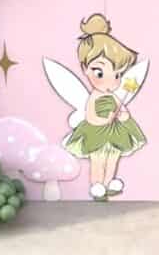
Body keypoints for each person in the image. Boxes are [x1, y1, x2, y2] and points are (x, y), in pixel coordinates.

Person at [63, 14, 147, 200]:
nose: (111, 80)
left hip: (114, 132)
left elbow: (122, 110)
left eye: (117, 75)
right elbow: (91, 117)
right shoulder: (94, 97)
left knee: (112, 158)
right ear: (86, 69)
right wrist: (103, 120)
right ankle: (97, 185)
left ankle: (109, 182)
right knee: (98, 159)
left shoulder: (114, 95)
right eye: (100, 72)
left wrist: (123, 115)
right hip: (97, 132)